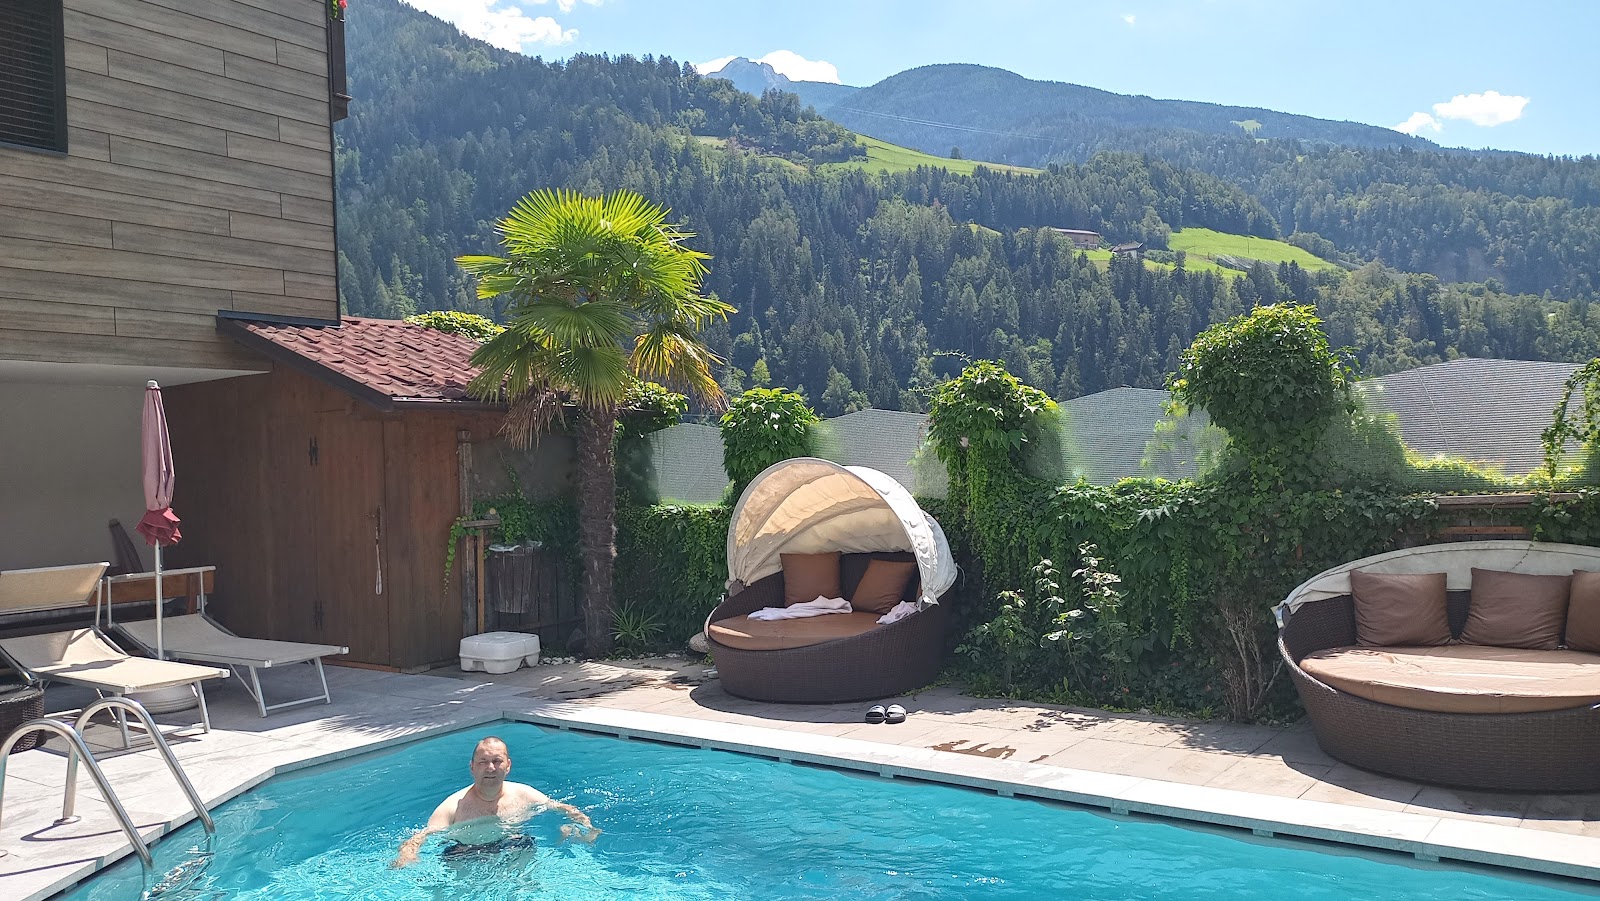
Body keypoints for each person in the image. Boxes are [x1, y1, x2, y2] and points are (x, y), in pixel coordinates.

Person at [393, 735, 599, 867]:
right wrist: (407, 855)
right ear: (472, 767)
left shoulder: (524, 794)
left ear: (508, 766)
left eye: (496, 761)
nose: (490, 768)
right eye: (483, 762)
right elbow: (421, 836)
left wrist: (586, 827)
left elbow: (562, 807)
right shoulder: (452, 807)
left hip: (514, 849)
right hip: (466, 856)